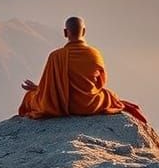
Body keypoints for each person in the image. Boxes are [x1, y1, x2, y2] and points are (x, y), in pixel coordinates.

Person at [19, 16, 147, 123]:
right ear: (84, 31)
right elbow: (100, 84)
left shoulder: (55, 56)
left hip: (62, 106)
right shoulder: (95, 54)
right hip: (90, 105)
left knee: (29, 97)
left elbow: (50, 90)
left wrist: (38, 88)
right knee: (110, 95)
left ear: (65, 32)